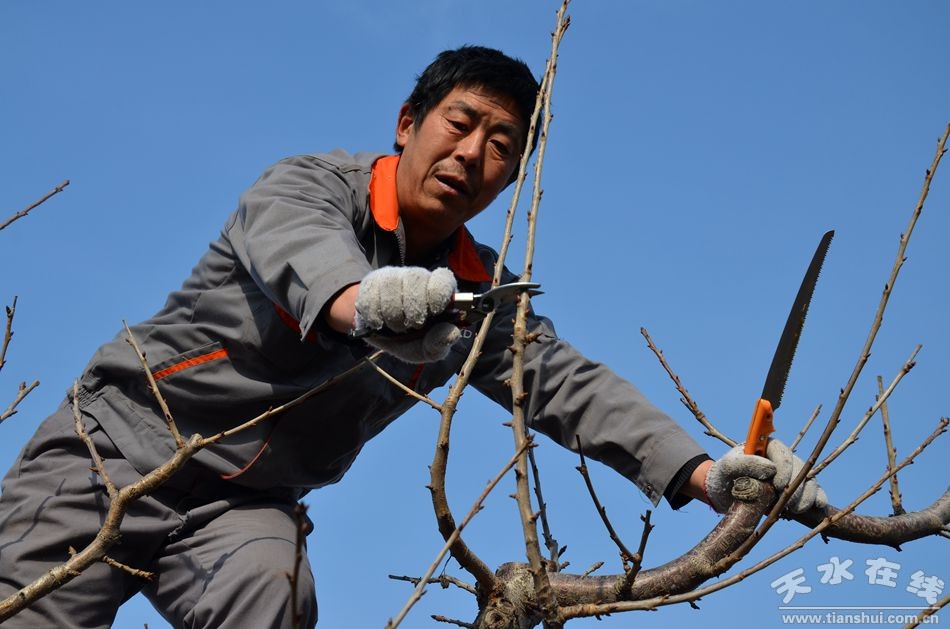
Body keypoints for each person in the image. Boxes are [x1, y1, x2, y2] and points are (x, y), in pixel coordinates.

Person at [0, 46, 825, 628]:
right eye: (461, 124)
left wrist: (709, 472)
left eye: (502, 147)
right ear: (407, 123)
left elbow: (568, 384)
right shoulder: (307, 187)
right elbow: (308, 264)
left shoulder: (479, 294)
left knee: (276, 602)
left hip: (246, 506)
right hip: (115, 446)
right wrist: (369, 302)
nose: (474, 153)